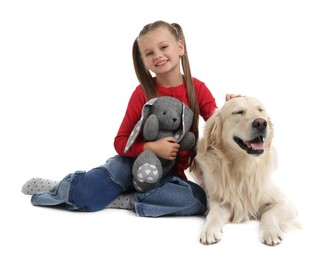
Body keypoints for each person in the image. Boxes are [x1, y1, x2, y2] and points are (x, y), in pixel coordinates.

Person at [21, 20, 238, 216]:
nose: (158, 55)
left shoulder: (197, 88)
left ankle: (126, 199)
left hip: (167, 174)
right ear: (144, 61)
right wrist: (151, 148)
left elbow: (216, 121)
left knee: (198, 201)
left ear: (180, 47)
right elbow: (120, 142)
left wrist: (234, 108)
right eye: (149, 53)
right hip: (130, 164)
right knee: (86, 197)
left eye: (163, 47)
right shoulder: (142, 92)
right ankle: (64, 186)